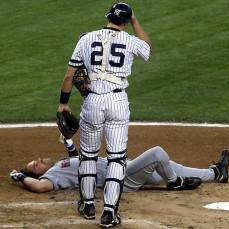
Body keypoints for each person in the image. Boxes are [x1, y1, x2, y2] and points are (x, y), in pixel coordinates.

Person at [57, 2, 151, 227]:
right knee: (116, 157)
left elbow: (70, 77)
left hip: (92, 100)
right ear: (126, 22)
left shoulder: (86, 38)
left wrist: (63, 104)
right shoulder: (130, 41)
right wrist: (136, 21)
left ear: (108, 16)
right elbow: (147, 48)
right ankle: (109, 212)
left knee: (88, 155)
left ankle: (88, 205)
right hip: (118, 101)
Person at [10, 137, 229, 195]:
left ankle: (216, 174)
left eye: (36, 160)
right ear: (37, 174)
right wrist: (20, 176)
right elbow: (40, 187)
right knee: (157, 153)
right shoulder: (51, 175)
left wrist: (68, 142)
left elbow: (79, 162)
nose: (38, 162)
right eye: (34, 165)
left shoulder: (60, 164)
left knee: (165, 163)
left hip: (125, 167)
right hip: (122, 179)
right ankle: (174, 184)